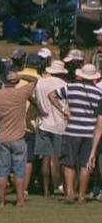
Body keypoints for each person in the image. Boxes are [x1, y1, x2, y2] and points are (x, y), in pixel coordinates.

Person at [49, 64, 102, 204]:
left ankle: (70, 193)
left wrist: (63, 110)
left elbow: (52, 95)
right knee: (85, 164)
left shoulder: (70, 88)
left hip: (72, 130)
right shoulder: (98, 93)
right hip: (90, 132)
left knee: (69, 163)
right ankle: (82, 195)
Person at [0, 72, 38, 207]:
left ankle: (2, 202)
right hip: (19, 138)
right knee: (19, 172)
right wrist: (20, 76)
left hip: (3, 138)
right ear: (15, 82)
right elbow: (35, 80)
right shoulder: (21, 93)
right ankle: (20, 200)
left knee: (2, 171)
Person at [34, 61, 68, 198]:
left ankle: (47, 191)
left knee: (45, 158)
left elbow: (34, 99)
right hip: (60, 124)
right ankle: (64, 187)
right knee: (62, 159)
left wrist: (39, 109)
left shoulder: (40, 82)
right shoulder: (64, 84)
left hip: (43, 123)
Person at [11, 47, 42, 195]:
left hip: (15, 122)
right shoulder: (40, 80)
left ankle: (14, 184)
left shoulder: (17, 77)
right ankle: (24, 189)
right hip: (31, 123)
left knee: (15, 156)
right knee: (29, 158)